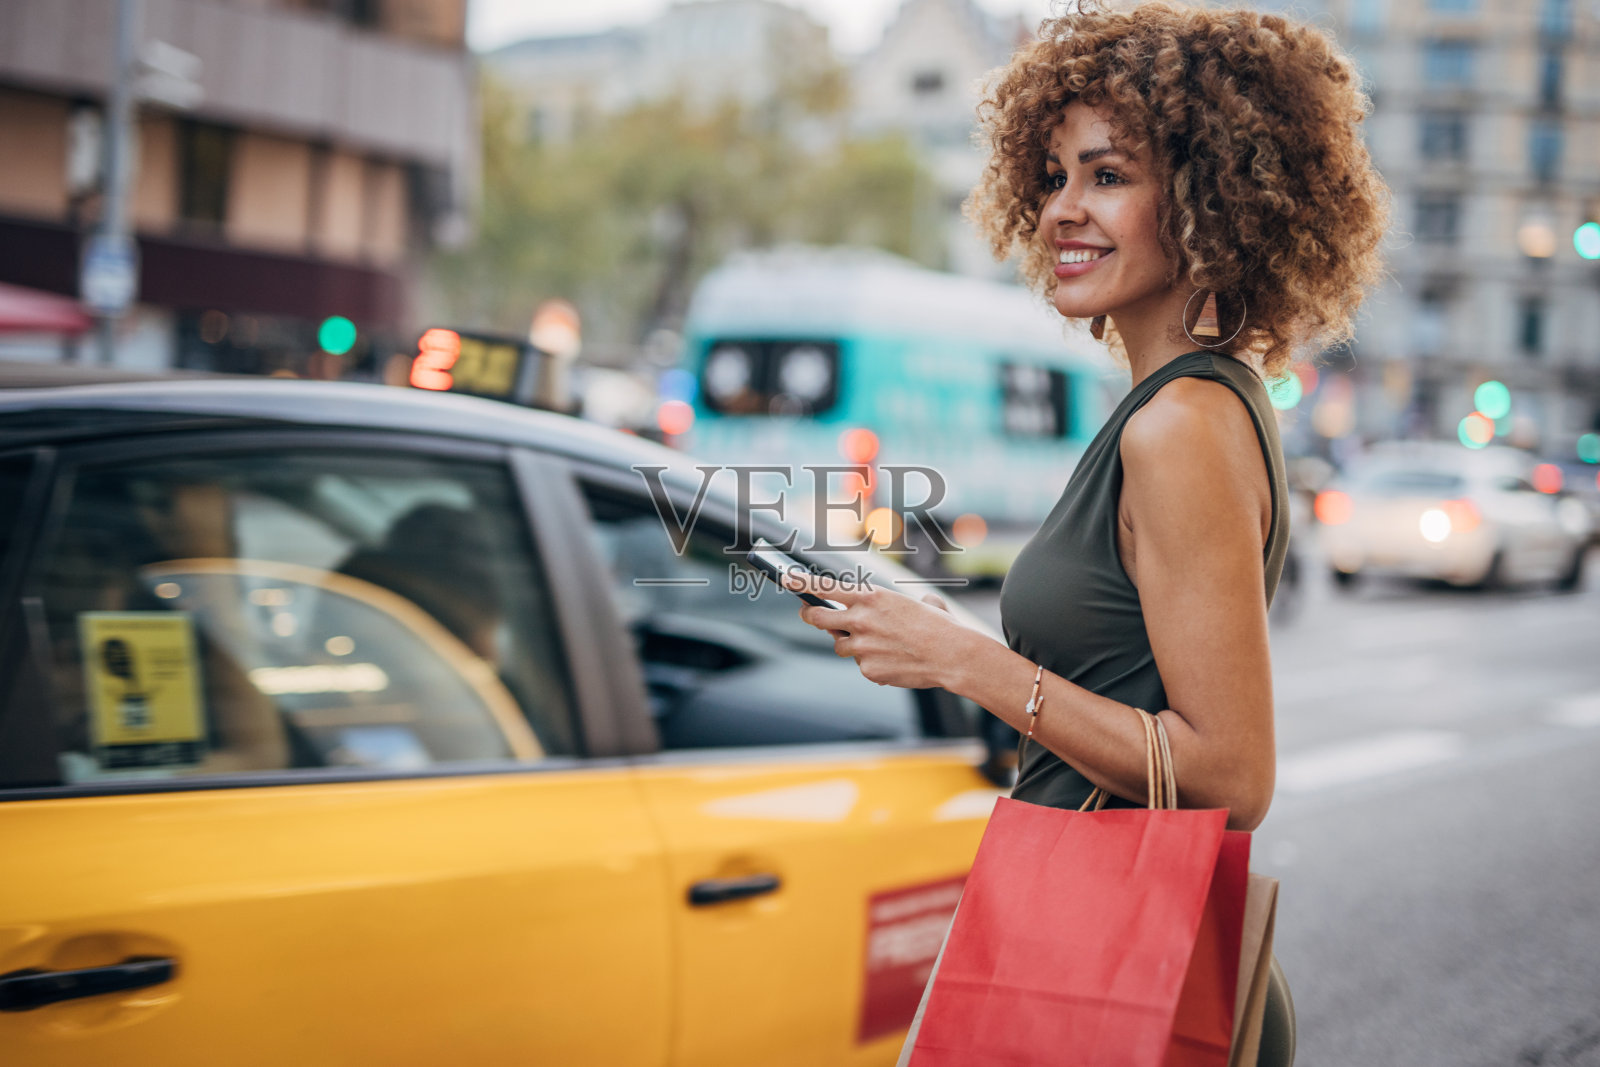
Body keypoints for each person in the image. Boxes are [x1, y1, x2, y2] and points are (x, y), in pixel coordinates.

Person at [783, 2, 1388, 1061]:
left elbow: (1232, 778)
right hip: (1098, 939)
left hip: (1125, 964)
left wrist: (967, 662)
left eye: (1108, 176)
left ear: (1210, 201)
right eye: (1054, 175)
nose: (1065, 208)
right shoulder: (1188, 403)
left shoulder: (1180, 427)